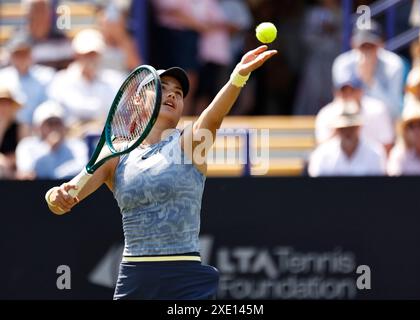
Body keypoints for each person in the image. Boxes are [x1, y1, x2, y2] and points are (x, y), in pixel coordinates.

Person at [44, 45, 277, 299]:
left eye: (178, 92)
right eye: (162, 88)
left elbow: (212, 118)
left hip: (186, 280)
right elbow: (65, 199)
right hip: (135, 280)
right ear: (137, 100)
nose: (172, 95)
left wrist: (237, 78)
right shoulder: (115, 154)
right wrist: (56, 196)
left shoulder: (189, 144)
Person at [332, 19, 404, 119]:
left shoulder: (393, 64)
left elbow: (395, 112)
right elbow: (343, 104)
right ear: (353, 44)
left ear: (381, 44)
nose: (367, 52)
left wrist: (370, 81)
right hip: (352, 122)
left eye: (371, 46)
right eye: (363, 46)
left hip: (383, 124)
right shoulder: (343, 64)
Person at [315, 69, 394, 152]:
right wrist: (338, 128)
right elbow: (320, 151)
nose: (348, 95)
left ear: (361, 91)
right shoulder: (326, 114)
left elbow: (387, 146)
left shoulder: (377, 110)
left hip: (370, 162)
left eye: (352, 91)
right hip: (337, 163)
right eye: (344, 91)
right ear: (336, 93)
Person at [308, 101, 386, 177]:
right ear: (337, 130)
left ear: (359, 128)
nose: (348, 132)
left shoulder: (376, 153)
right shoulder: (322, 155)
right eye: (343, 128)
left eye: (352, 127)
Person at [0, 31, 55, 137]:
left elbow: (50, 106)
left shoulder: (46, 76)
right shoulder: (2, 77)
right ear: (11, 56)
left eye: (24, 53)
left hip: (39, 133)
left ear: (31, 54)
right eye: (17, 54)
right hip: (6, 134)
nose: (21, 57)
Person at [15, 100, 88, 180]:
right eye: (49, 123)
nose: (54, 128)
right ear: (38, 127)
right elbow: (27, 172)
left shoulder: (77, 145)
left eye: (57, 123)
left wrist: (56, 177)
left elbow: (82, 168)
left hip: (70, 191)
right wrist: (48, 148)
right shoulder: (26, 145)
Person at [387, 95, 420, 176]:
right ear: (404, 131)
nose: (417, 131)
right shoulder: (399, 155)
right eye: (411, 126)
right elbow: (394, 184)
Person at [0, 85, 23, 179]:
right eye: (1, 104)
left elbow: (24, 150)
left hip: (16, 169)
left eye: (7, 104)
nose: (3, 108)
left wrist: (10, 161)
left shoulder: (21, 127)